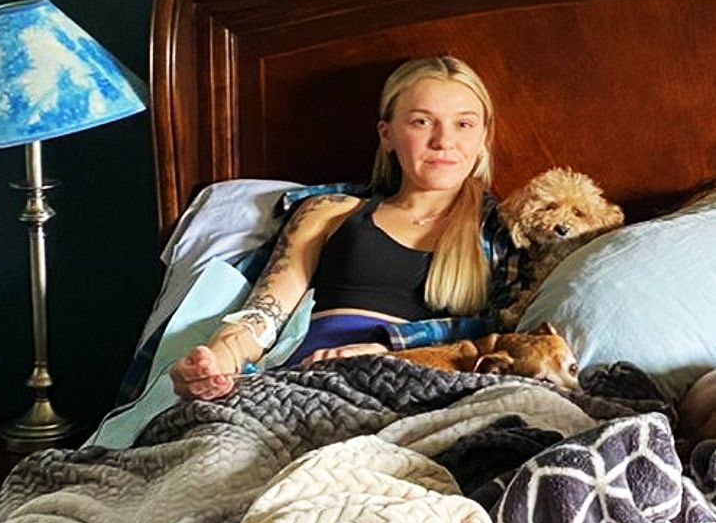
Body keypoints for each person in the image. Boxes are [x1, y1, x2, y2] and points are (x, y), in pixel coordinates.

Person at [170, 56, 521, 401]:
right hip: (301, 385)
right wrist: (217, 359)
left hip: (415, 390)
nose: (443, 140)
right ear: (387, 134)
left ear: (483, 138)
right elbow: (264, 314)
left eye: (464, 124)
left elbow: (507, 335)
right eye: (421, 122)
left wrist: (390, 350)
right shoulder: (328, 212)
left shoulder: (508, 231)